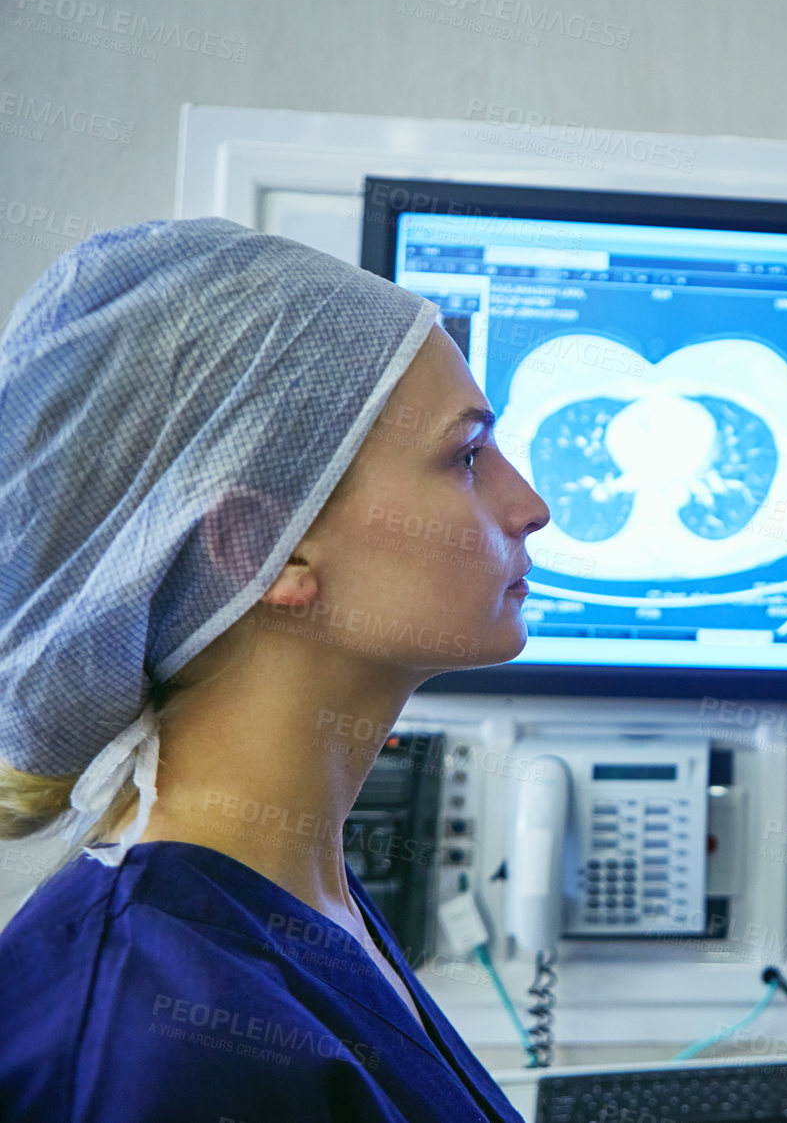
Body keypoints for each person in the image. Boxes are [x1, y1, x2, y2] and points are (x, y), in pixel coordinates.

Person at [0, 218, 549, 1120]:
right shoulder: (146, 1037)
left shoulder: (298, 907)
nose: (532, 506)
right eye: (464, 456)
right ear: (262, 547)